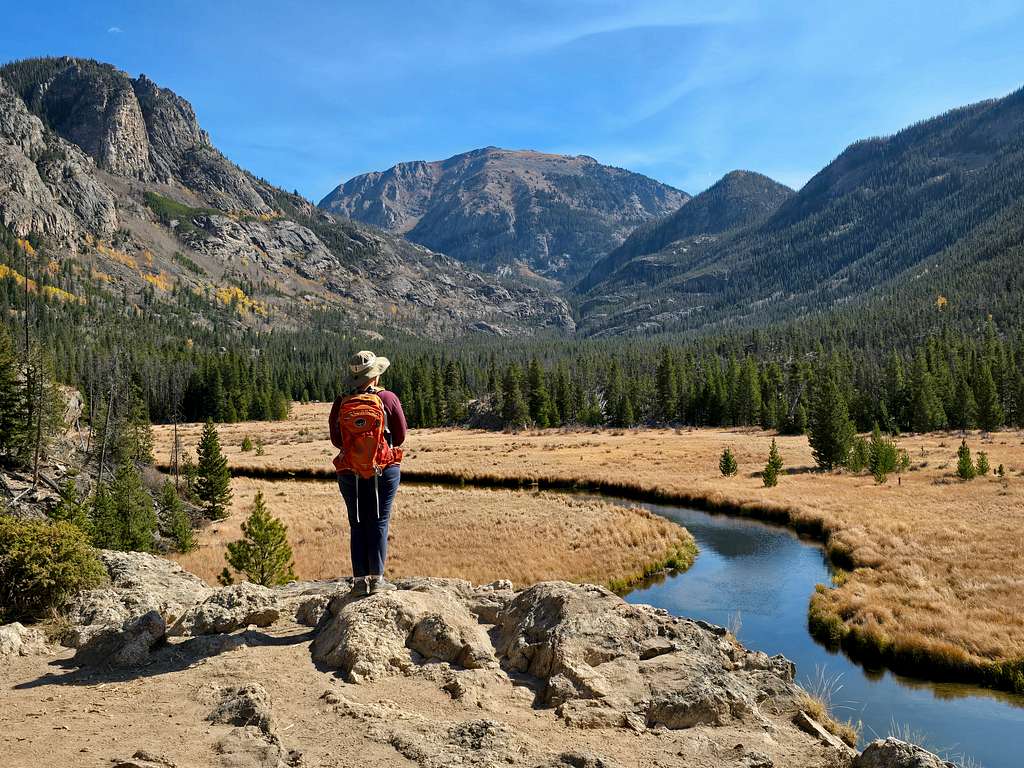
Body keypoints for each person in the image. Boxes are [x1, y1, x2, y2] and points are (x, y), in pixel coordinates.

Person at [329, 351, 407, 596]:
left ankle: (359, 582)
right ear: (375, 376)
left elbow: (336, 440)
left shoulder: (341, 402)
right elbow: (401, 436)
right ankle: (378, 580)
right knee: (379, 522)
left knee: (358, 523)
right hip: (383, 468)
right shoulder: (388, 398)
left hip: (349, 471)